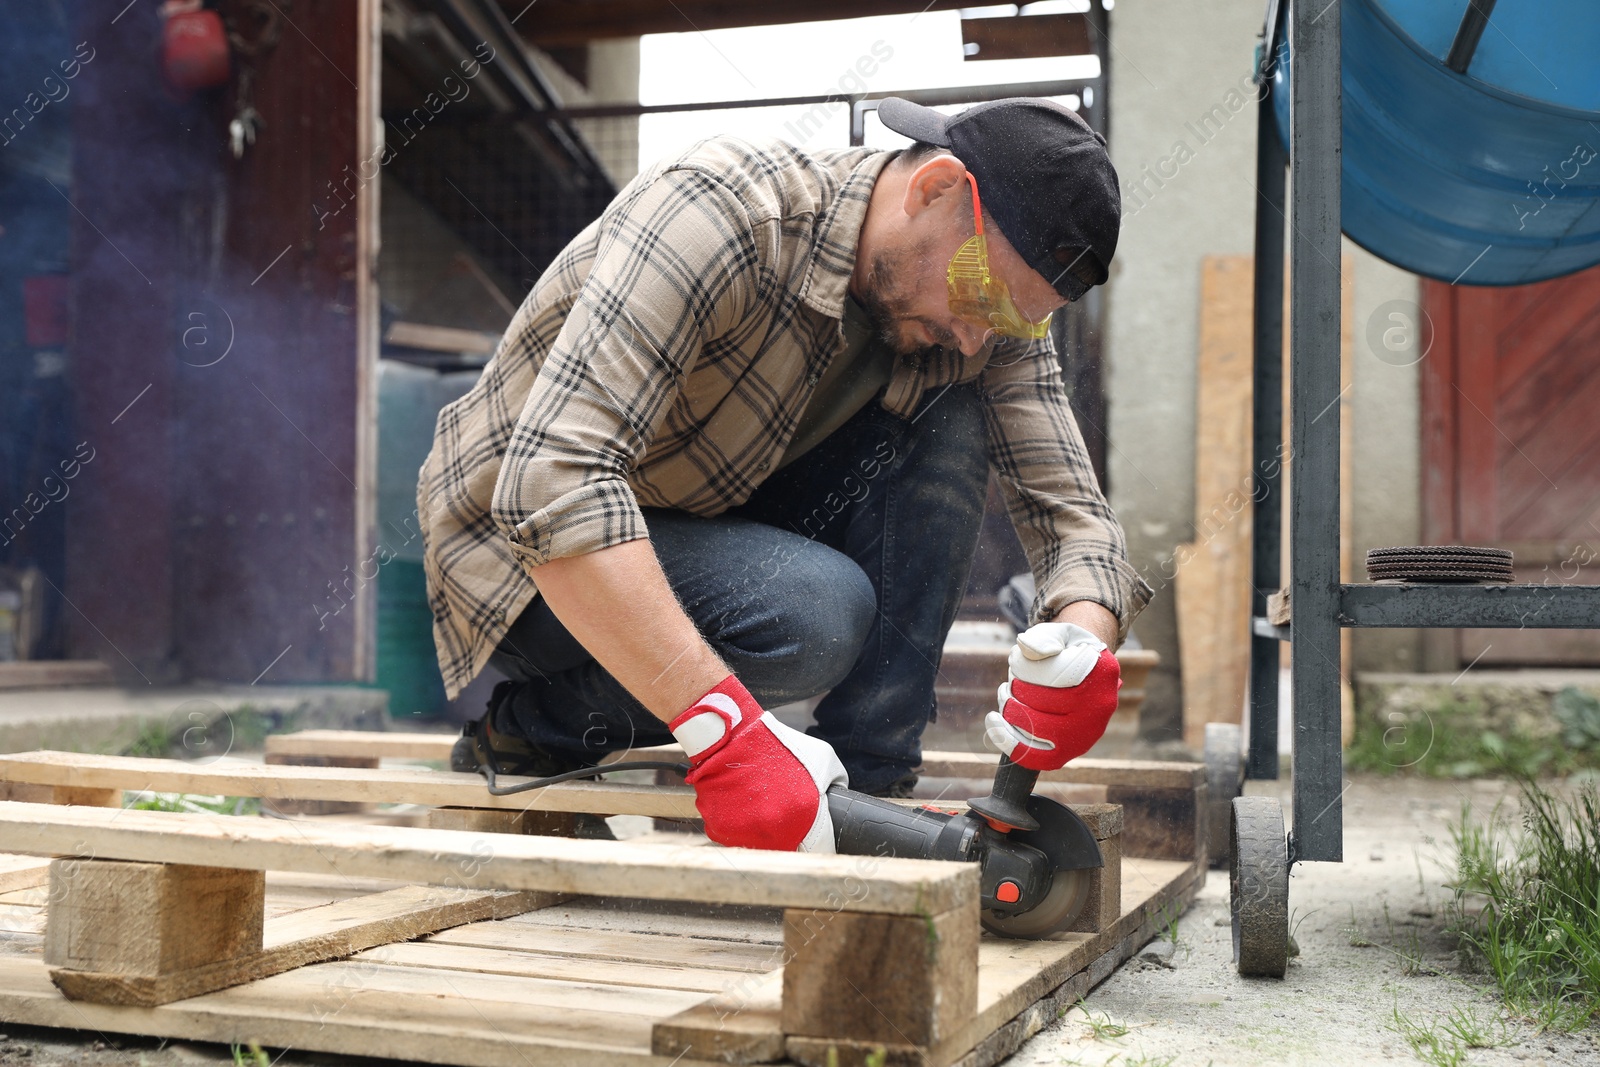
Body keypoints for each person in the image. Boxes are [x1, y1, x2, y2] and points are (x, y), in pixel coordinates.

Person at [418, 96, 1151, 853]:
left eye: (1011, 318)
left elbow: (1073, 516)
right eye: (981, 294)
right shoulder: (723, 213)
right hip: (525, 563)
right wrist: (724, 732)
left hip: (705, 516)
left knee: (951, 413)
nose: (975, 332)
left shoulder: (982, 320)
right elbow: (551, 484)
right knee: (814, 615)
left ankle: (872, 793)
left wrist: (1081, 645)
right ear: (932, 189)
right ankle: (528, 731)